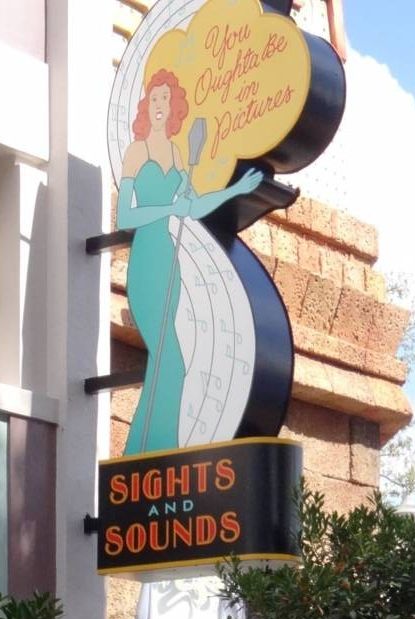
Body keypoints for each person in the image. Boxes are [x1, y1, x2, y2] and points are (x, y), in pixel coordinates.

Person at [119, 71, 263, 454]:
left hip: (169, 259)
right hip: (146, 259)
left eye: (165, 99)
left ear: (176, 107)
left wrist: (234, 190)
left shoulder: (179, 154)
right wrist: (168, 207)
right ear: (145, 107)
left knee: (170, 365)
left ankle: (156, 453)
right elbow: (124, 217)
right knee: (171, 363)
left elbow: (193, 207)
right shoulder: (138, 153)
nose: (160, 106)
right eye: (154, 99)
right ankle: (142, 454)